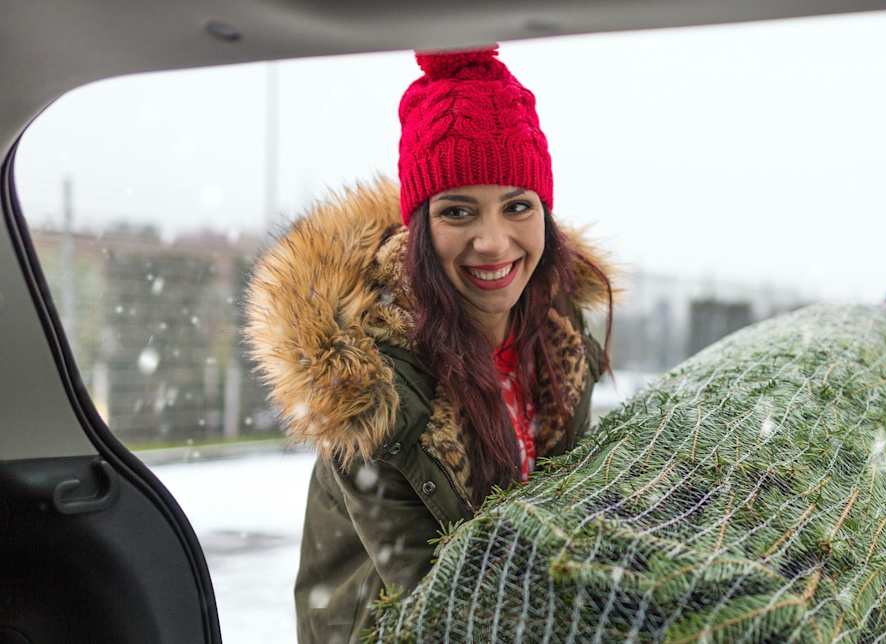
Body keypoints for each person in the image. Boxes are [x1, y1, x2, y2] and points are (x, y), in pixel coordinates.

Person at [243, 46, 613, 644]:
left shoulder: (557, 336)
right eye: (458, 211)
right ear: (420, 228)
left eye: (517, 205)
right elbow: (440, 598)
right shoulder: (368, 384)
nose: (493, 242)